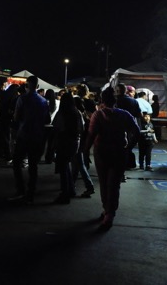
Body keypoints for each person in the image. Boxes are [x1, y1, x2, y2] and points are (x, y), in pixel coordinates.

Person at [85, 86, 140, 231]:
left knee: (104, 182)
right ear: (116, 101)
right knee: (114, 184)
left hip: (102, 152)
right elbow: (137, 131)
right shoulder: (124, 114)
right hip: (119, 152)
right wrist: (128, 148)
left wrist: (84, 151)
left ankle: (107, 211)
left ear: (102, 100)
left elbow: (91, 135)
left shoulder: (98, 115)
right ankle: (110, 212)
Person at [9, 75, 50, 204]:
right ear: (37, 86)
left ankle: (20, 189)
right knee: (33, 165)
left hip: (24, 134)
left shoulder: (22, 99)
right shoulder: (44, 101)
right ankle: (31, 192)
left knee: (17, 162)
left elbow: (16, 117)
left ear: (27, 85)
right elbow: (47, 120)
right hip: (37, 135)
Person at [51, 92, 84, 204]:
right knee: (67, 166)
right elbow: (82, 127)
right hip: (75, 142)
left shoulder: (62, 113)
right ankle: (71, 189)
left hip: (63, 141)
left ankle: (65, 194)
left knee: (63, 168)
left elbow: (56, 126)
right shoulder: (76, 112)